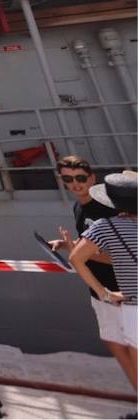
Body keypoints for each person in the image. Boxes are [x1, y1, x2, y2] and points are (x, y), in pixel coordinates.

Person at [49, 156, 136, 391]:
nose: (75, 184)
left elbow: (118, 255)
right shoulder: (79, 206)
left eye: (80, 178)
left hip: (121, 291)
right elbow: (88, 248)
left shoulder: (109, 211)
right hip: (102, 291)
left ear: (92, 178)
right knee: (115, 343)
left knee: (131, 347)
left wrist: (80, 251)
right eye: (68, 179)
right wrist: (71, 246)